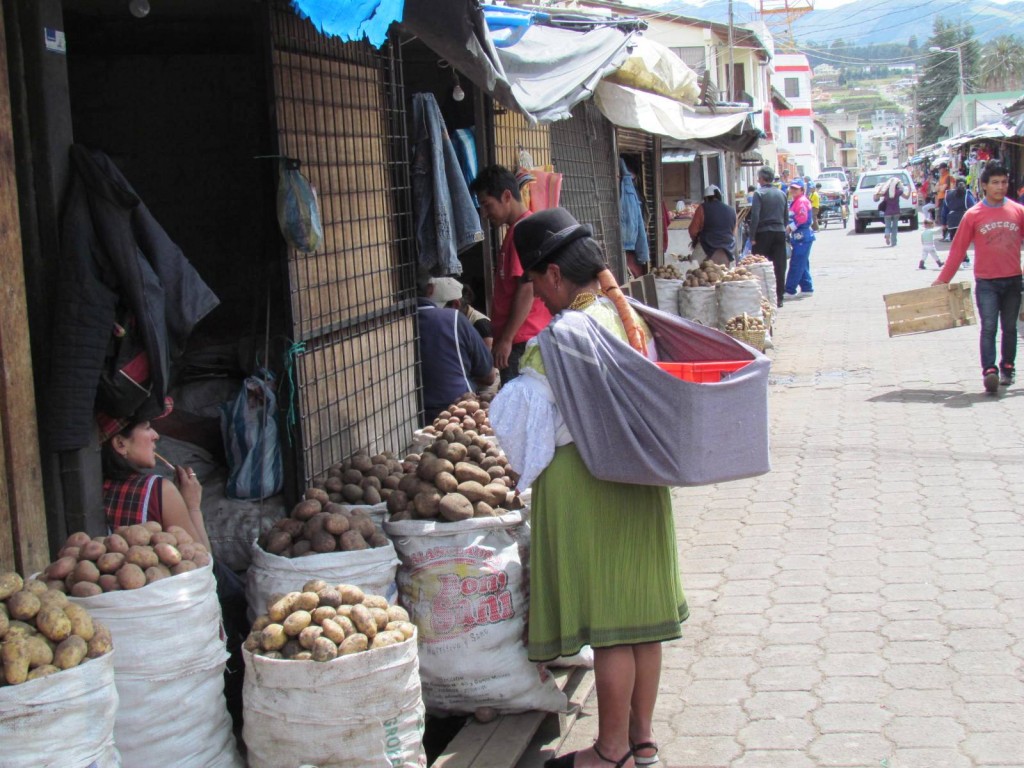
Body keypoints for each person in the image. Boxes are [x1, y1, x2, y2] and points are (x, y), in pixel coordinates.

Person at [491, 207, 686, 768]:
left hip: (590, 486)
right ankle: (641, 741)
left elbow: (525, 429)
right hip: (641, 481)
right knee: (641, 622)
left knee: (610, 628)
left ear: (553, 274)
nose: (537, 294)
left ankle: (610, 751)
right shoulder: (627, 318)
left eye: (533, 280)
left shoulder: (564, 335)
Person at [932, 163, 1024, 393]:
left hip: (1013, 280)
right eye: (995, 182)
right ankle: (989, 371)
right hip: (987, 283)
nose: (1000, 187)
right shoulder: (973, 215)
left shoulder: (1018, 211)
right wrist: (942, 280)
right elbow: (957, 250)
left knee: (1010, 328)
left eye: (1004, 182)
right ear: (984, 185)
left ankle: (1008, 369)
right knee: (989, 327)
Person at [469, 165, 552, 383]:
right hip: (522, 338)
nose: (485, 214)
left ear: (506, 196)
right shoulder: (518, 230)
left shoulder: (522, 231)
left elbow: (527, 288)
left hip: (521, 341)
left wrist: (505, 340)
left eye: (487, 205)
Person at [100, 418, 211, 546]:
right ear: (120, 444)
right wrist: (192, 506)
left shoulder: (95, 486)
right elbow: (203, 559)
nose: (156, 436)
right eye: (147, 428)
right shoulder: (159, 489)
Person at [416, 272, 495, 423]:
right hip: (457, 409)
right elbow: (488, 374)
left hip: (414, 412)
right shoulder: (454, 318)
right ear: (456, 304)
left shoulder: (402, 321)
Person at [748, 166, 790, 307]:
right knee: (779, 266)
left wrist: (752, 236)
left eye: (758, 177)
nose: (758, 180)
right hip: (779, 232)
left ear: (762, 179)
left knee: (760, 265)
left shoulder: (759, 194)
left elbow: (755, 217)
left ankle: (763, 298)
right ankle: (779, 298)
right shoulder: (782, 194)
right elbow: (786, 217)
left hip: (763, 233)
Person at [687, 184, 737, 265]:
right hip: (728, 247)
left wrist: (695, 240)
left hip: (706, 245)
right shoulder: (732, 210)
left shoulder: (702, 208)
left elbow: (692, 230)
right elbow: (734, 233)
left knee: (692, 268)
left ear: (706, 198)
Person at [784, 179, 815, 297]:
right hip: (800, 237)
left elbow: (802, 217)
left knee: (796, 263)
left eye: (796, 189)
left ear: (802, 190)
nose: (793, 191)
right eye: (792, 188)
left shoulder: (801, 201)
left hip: (803, 236)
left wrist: (790, 227)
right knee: (802, 262)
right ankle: (807, 287)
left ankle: (790, 289)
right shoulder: (796, 201)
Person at [873, 176, 908, 247]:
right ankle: (893, 242)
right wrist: (910, 190)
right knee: (895, 227)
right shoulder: (898, 192)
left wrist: (880, 189)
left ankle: (887, 234)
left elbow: (876, 197)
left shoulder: (885, 192)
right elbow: (907, 197)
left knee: (887, 227)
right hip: (896, 211)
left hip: (887, 212)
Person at [943, 178, 975, 246]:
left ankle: (962, 256)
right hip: (964, 221)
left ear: (955, 184)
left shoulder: (948, 194)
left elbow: (944, 211)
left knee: (957, 244)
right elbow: (973, 208)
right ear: (966, 184)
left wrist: (944, 223)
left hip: (952, 222)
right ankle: (963, 256)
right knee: (964, 243)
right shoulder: (967, 194)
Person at [935, 162, 953, 239]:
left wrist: (940, 187)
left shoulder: (948, 177)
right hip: (941, 198)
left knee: (945, 216)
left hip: (946, 198)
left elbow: (942, 189)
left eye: (941, 168)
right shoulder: (941, 177)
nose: (940, 170)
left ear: (945, 168)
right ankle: (944, 234)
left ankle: (946, 234)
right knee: (942, 216)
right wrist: (940, 187)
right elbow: (936, 188)